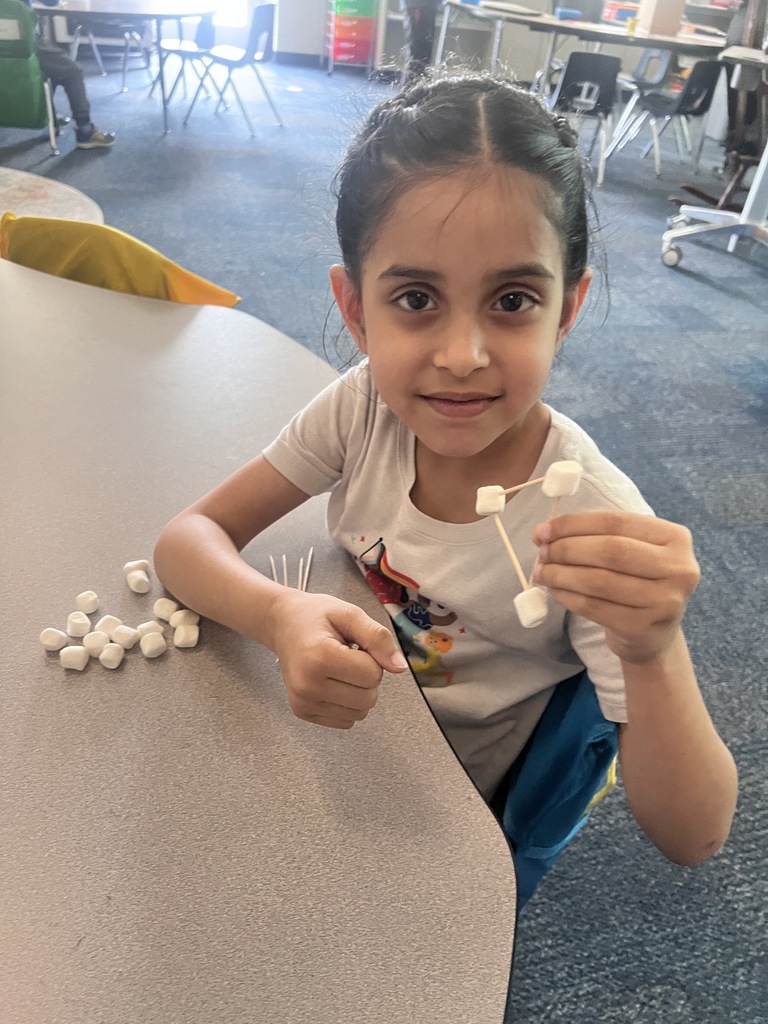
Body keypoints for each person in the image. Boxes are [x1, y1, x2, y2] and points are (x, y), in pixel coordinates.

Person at [154, 75, 737, 890]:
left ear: (566, 311)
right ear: (356, 311)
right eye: (417, 298)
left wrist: (654, 651)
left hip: (443, 807)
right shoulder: (363, 408)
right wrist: (280, 616)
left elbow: (695, 835)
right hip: (328, 732)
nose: (463, 355)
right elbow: (185, 542)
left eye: (513, 299)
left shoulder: (586, 520)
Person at [29, 0, 115, 149]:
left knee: (52, 68)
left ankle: (49, 116)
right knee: (73, 72)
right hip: (25, 44)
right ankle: (85, 131)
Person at [399, 0, 439, 83]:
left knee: (423, 53)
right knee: (417, 53)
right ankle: (411, 86)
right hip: (419, 5)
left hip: (426, 6)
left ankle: (416, 85)